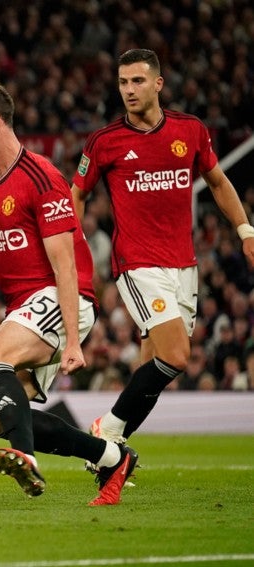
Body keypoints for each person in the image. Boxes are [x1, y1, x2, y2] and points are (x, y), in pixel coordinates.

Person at [0, 81, 136, 505]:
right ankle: (110, 456)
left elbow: (66, 265)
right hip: (25, 307)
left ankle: (26, 457)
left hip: (60, 297)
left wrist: (73, 340)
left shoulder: (42, 177)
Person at [71, 49, 254, 444]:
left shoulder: (189, 130)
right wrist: (75, 245)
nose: (129, 90)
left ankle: (112, 455)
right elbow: (77, 194)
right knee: (177, 355)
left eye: (137, 81)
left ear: (158, 83)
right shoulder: (104, 142)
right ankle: (106, 431)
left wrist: (245, 230)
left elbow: (219, 182)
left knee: (151, 365)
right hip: (136, 263)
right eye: (122, 82)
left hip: (183, 265)